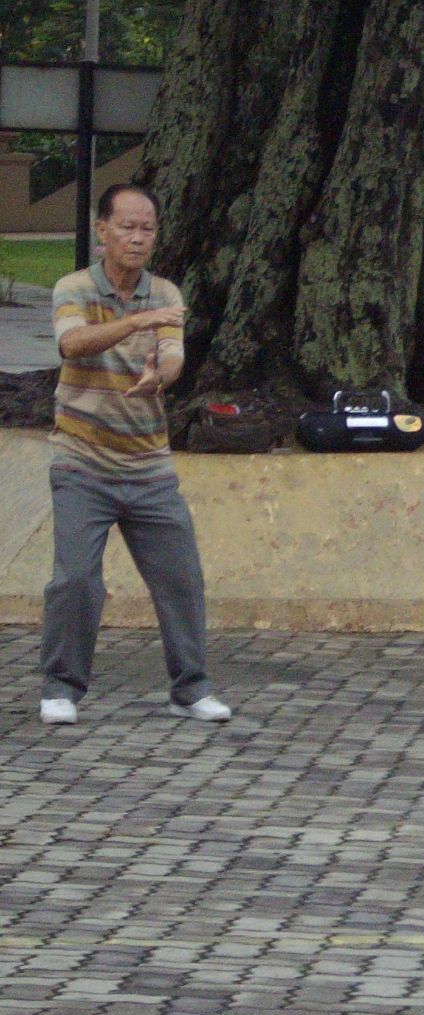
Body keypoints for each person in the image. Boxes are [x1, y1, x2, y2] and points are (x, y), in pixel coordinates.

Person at [38, 183, 231, 727]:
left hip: (149, 466)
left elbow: (173, 357)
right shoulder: (73, 287)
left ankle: (190, 689)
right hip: (82, 462)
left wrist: (158, 375)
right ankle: (61, 688)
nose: (137, 238)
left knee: (182, 579)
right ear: (102, 231)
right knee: (75, 579)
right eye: (127, 226)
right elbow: (72, 344)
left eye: (147, 228)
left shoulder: (165, 294)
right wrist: (134, 323)